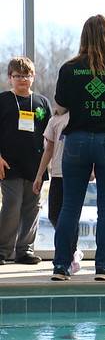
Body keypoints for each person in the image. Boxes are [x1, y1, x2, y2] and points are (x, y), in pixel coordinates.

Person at [51, 15, 105, 281]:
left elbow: (60, 105)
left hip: (78, 139)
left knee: (70, 206)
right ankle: (104, 266)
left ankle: (61, 266)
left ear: (83, 36)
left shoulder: (68, 69)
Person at [0, 57, 52, 266]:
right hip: (8, 165)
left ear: (33, 77)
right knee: (12, 205)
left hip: (35, 166)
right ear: (9, 78)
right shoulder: (3, 100)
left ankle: (25, 251)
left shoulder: (42, 102)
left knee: (32, 207)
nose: (22, 79)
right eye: (17, 75)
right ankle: (3, 250)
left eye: (26, 75)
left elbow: (51, 134)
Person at [33, 111, 83, 273]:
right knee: (54, 214)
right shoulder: (54, 120)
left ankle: (70, 255)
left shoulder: (80, 116)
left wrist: (92, 169)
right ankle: (73, 251)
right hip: (57, 174)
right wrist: (40, 174)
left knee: (70, 215)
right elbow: (48, 150)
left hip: (76, 173)